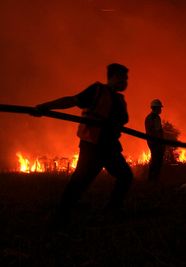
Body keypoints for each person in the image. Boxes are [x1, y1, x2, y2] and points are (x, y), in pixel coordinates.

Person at [36, 63, 133, 225]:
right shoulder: (97, 90)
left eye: (127, 79)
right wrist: (46, 107)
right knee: (81, 180)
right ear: (113, 76)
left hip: (110, 146)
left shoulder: (119, 99)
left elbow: (121, 120)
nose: (125, 82)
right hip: (92, 146)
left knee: (125, 176)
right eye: (122, 78)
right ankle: (61, 214)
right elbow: (73, 100)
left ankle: (113, 208)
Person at [145, 99, 165, 181]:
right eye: (160, 108)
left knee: (154, 160)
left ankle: (151, 179)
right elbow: (158, 131)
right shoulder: (155, 117)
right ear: (156, 108)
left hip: (151, 142)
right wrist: (162, 143)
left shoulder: (148, 117)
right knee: (157, 161)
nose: (160, 110)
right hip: (157, 142)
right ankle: (154, 179)